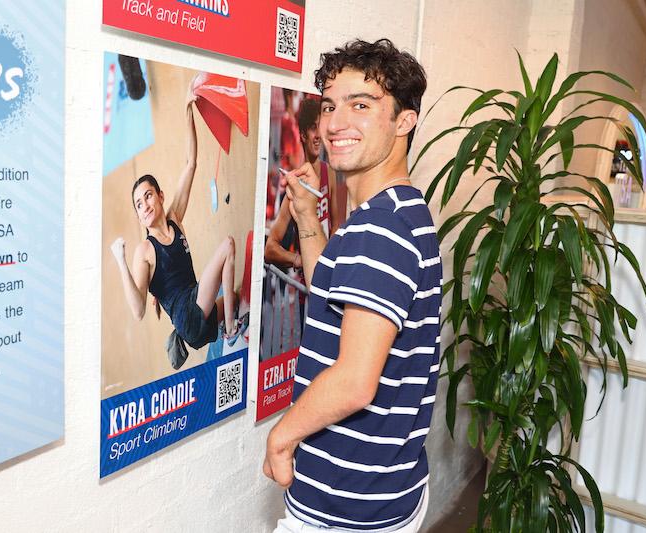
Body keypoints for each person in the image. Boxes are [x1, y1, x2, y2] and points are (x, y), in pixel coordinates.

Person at [263, 39, 441, 532]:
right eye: (329, 106)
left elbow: (354, 382)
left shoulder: (379, 230)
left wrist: (281, 437)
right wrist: (307, 221)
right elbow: (337, 299)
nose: (336, 123)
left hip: (346, 510)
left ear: (404, 121)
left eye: (361, 105)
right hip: (388, 489)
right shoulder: (402, 212)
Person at [110, 85, 238, 369]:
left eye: (148, 196)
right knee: (228, 245)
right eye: (138, 204)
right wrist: (121, 261)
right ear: (139, 215)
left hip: (197, 313)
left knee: (237, 297)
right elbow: (138, 310)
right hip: (188, 315)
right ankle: (230, 330)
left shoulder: (175, 218)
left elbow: (191, 163)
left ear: (160, 196)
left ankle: (225, 323)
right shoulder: (144, 251)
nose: (144, 205)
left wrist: (187, 111)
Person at [265, 97, 343, 271]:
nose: (318, 136)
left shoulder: (328, 171)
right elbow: (269, 249)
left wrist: (328, 260)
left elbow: (336, 224)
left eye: (320, 127)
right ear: (303, 135)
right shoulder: (296, 185)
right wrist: (299, 260)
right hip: (306, 284)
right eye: (313, 128)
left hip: (327, 273)